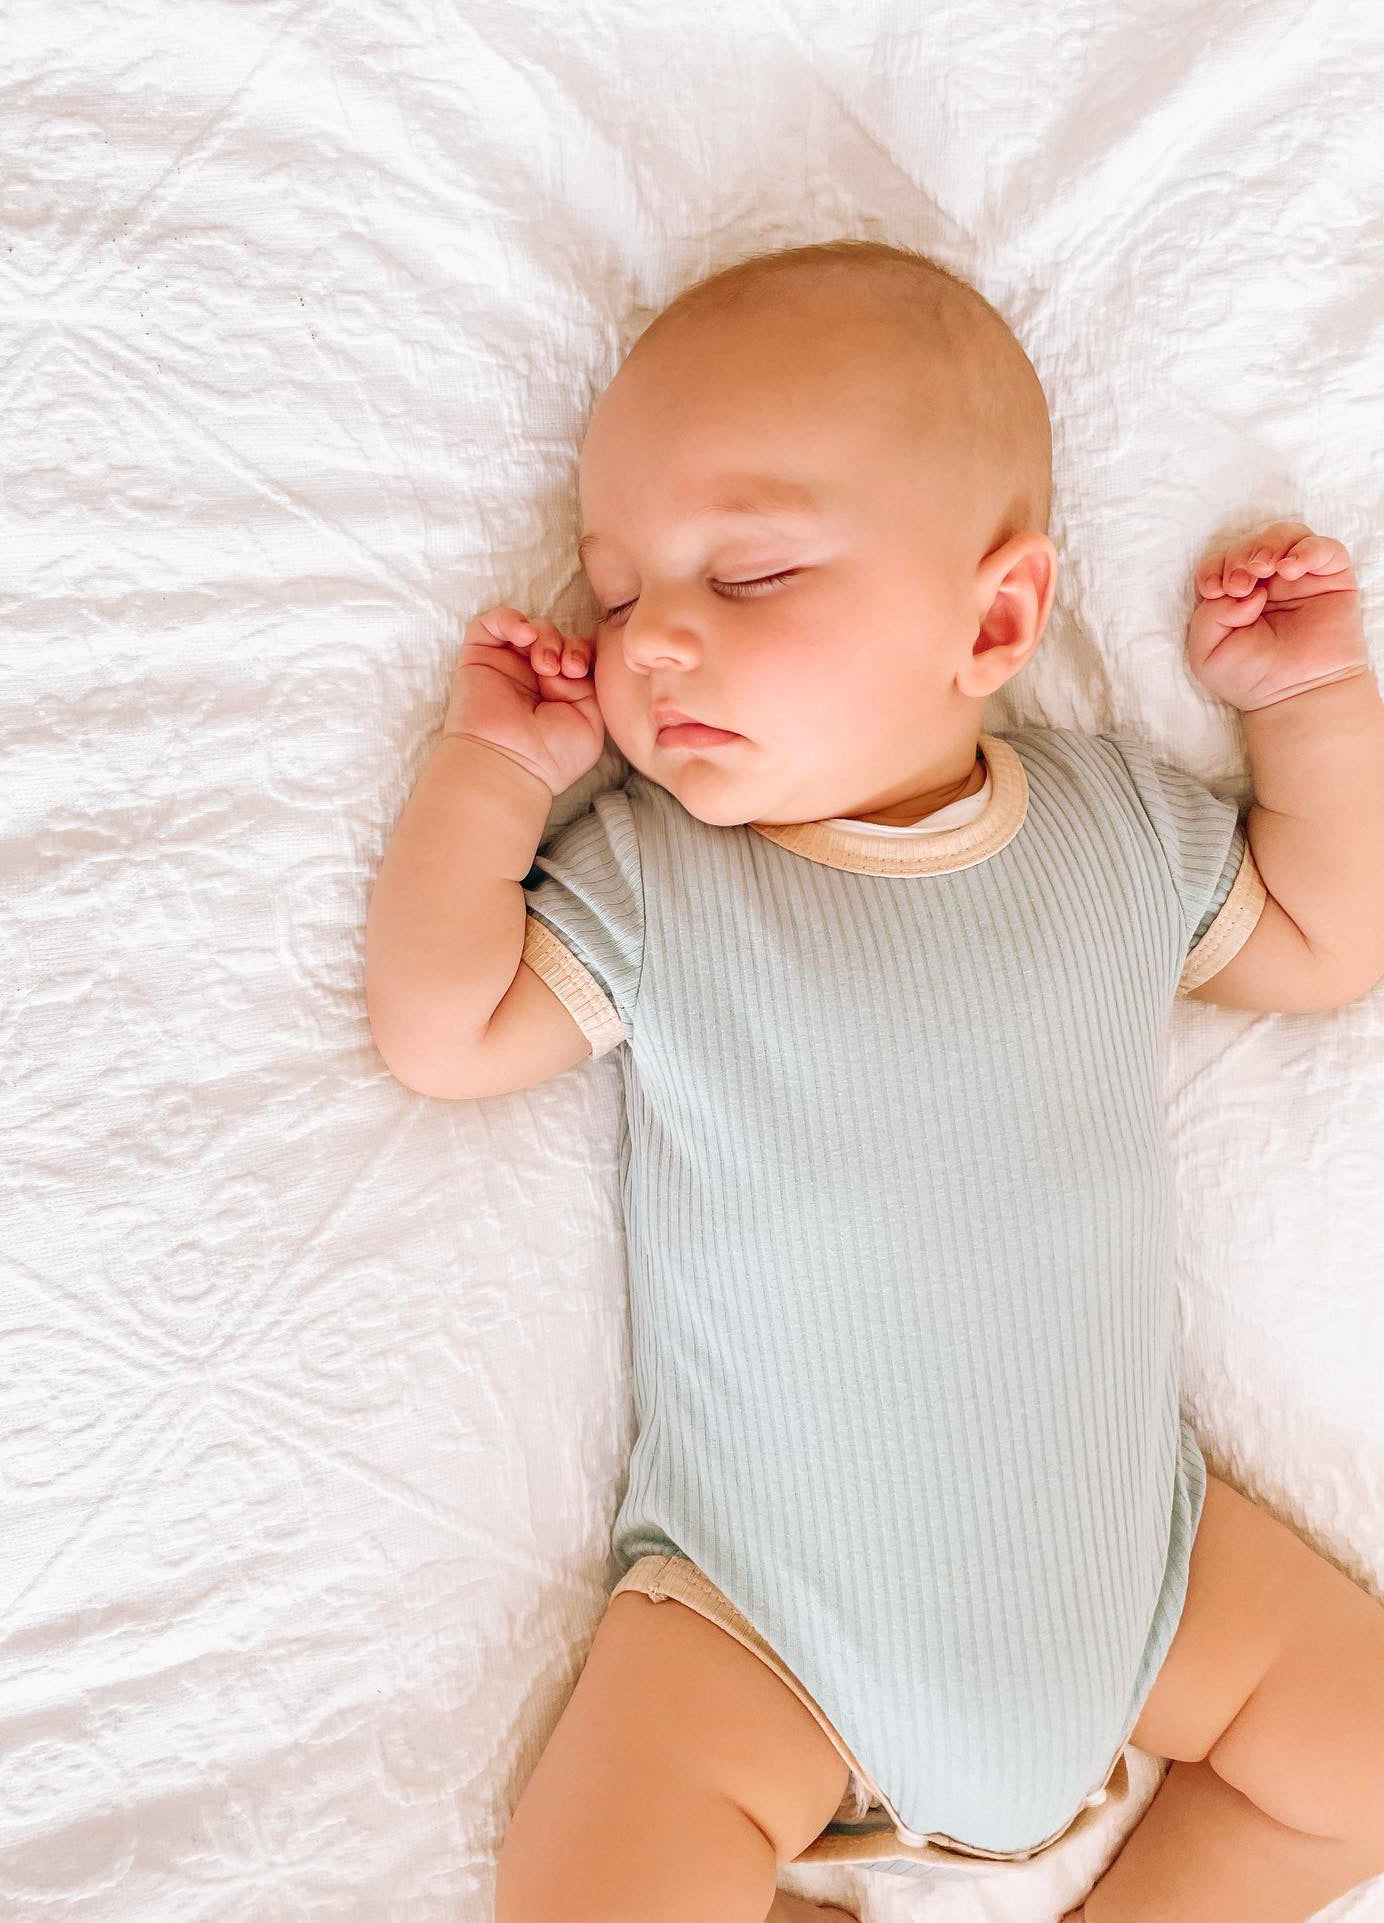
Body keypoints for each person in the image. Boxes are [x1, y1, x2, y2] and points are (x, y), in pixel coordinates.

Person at [365, 239, 1384, 1922]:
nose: (656, 645)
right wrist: (490, 776)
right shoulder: (661, 888)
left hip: (1141, 1581)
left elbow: (1327, 940)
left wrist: (1313, 706)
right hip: (762, 1628)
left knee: (1361, 1749)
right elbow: (443, 1031)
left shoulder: (1114, 835)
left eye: (746, 578)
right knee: (587, 1892)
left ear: (995, 617)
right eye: (617, 596)